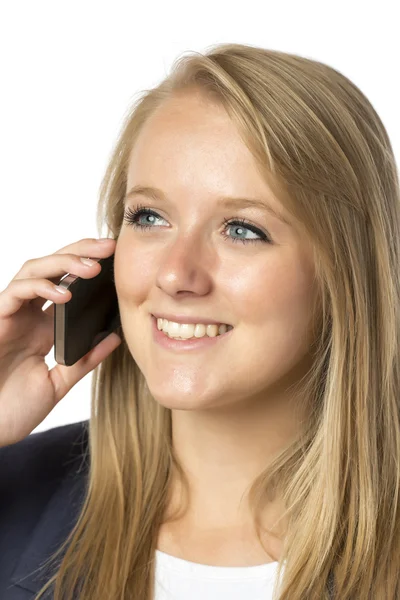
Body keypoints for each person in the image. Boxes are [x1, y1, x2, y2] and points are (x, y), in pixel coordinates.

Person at [0, 42, 399, 600]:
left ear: (345, 272)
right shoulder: (15, 501)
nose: (175, 274)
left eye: (241, 229)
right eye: (150, 217)